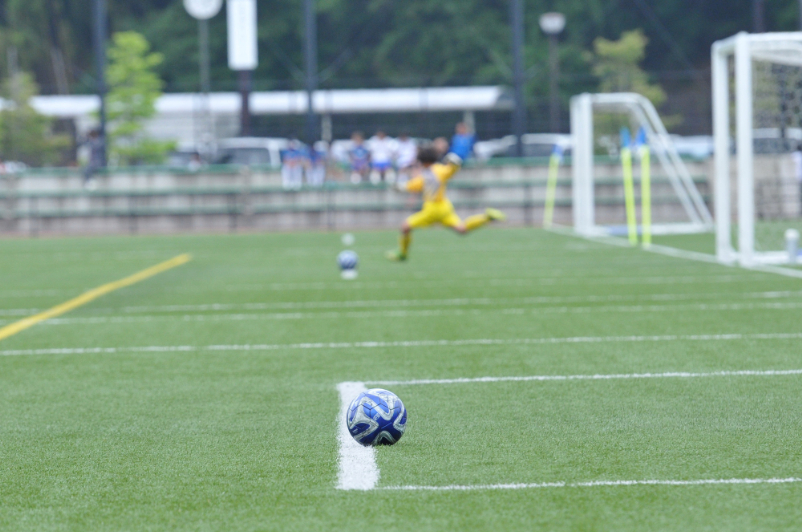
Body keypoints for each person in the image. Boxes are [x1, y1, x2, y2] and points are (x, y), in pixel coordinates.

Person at [386, 145, 506, 262]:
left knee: (405, 227)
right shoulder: (435, 170)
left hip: (432, 209)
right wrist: (454, 163)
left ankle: (403, 253)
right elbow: (448, 171)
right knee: (462, 229)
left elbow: (419, 183)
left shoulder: (433, 171)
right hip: (444, 207)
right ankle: (486, 217)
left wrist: (402, 187)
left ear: (425, 161)